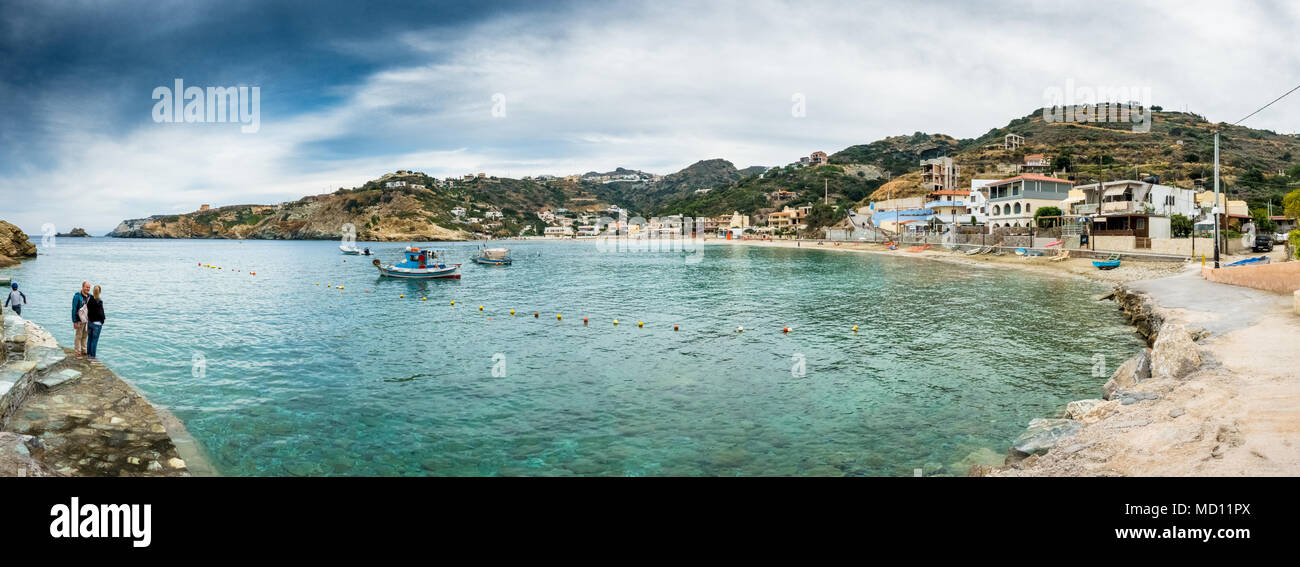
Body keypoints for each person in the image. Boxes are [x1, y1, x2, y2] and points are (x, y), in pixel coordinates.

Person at [86, 285, 106, 361]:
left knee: (90, 339)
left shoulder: (90, 299)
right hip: (97, 324)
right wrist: (102, 320)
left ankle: (88, 354)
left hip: (90, 322)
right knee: (94, 340)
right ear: (100, 292)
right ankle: (93, 357)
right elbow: (101, 314)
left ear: (93, 291)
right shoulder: (99, 301)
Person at [72, 281, 91, 358]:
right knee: (78, 336)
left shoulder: (90, 296)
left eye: (89, 287)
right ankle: (77, 352)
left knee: (85, 336)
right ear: (83, 287)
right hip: (79, 320)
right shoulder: (77, 296)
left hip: (87, 320)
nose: (88, 289)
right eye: (86, 287)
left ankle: (84, 350)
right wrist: (74, 321)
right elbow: (74, 309)